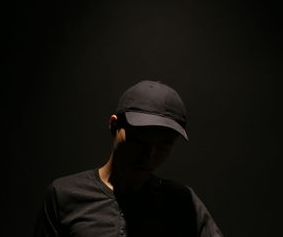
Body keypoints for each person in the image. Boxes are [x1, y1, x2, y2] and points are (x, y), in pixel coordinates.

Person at [34, 80, 223, 237]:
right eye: (139, 140)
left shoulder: (182, 202)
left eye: (164, 145)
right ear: (114, 125)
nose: (149, 155)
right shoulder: (64, 196)